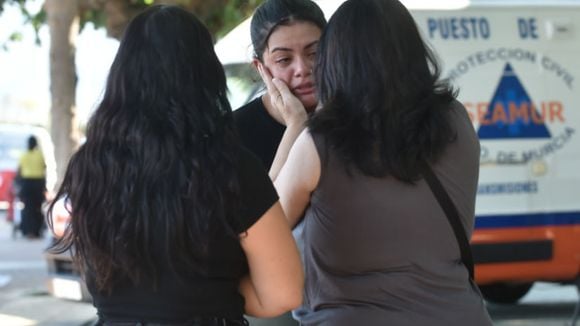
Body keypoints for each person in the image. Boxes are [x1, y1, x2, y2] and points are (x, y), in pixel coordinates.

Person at [47, 5, 303, 325]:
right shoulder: (230, 167)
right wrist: (213, 288)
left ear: (122, 76)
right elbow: (283, 293)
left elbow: (100, 276)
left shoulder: (90, 167)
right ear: (205, 74)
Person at [268, 0, 494, 325]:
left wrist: (295, 126)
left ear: (335, 59)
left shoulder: (321, 142)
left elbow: (265, 225)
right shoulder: (455, 120)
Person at [234, 0, 326, 171]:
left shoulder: (357, 110)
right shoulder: (234, 136)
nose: (302, 69)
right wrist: (296, 123)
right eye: (284, 60)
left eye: (314, 53)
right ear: (260, 67)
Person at [17, 135, 46, 239]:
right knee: (37, 207)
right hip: (38, 184)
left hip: (26, 184)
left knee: (28, 208)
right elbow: (44, 168)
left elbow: (19, 171)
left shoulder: (23, 155)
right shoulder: (40, 155)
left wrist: (18, 185)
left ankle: (28, 231)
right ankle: (37, 231)